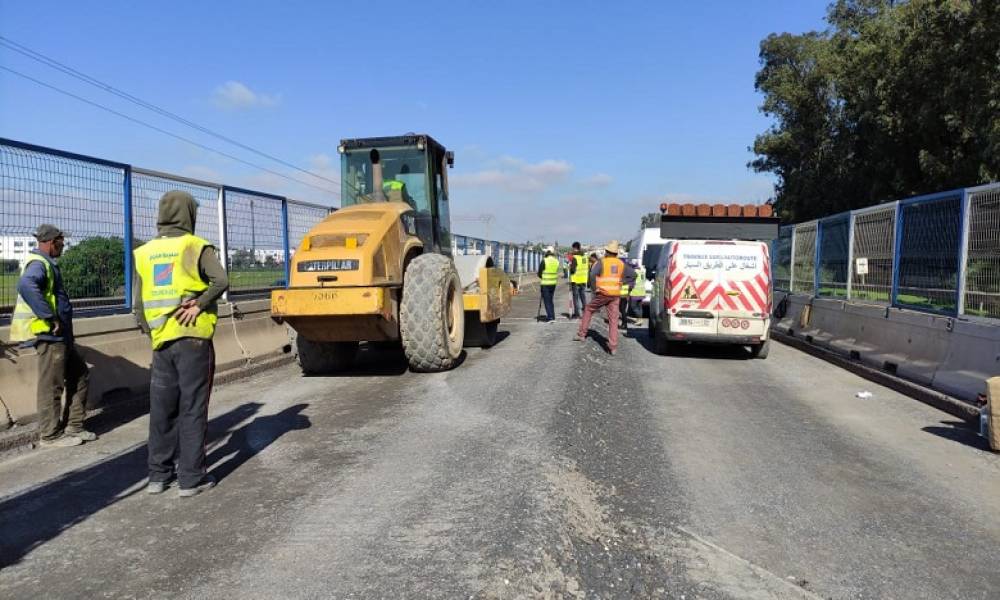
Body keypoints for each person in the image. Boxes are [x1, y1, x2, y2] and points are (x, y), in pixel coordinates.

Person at [134, 190, 229, 497]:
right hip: (194, 340)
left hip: (162, 342)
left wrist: (155, 333)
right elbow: (222, 281)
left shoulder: (145, 252)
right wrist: (200, 304)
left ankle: (158, 477)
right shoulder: (194, 245)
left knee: (162, 410)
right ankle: (191, 479)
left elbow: (138, 306)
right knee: (192, 407)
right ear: (189, 214)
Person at [10, 224, 94, 447]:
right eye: (61, 241)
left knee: (80, 375)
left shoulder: (47, 263)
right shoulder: (39, 264)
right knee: (51, 385)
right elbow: (26, 285)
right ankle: (49, 435)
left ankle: (74, 426)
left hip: (60, 336)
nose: (63, 245)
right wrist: (49, 316)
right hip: (49, 335)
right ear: (50, 241)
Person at [573, 240, 635, 355]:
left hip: (603, 294)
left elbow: (592, 275)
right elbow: (633, 274)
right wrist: (623, 282)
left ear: (606, 251)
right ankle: (613, 347)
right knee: (613, 319)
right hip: (615, 295)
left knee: (588, 309)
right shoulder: (621, 264)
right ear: (616, 253)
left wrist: (594, 288)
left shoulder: (602, 262)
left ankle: (582, 334)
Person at [537, 246, 559, 322]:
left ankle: (550, 317)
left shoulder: (544, 260)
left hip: (545, 283)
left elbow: (539, 273)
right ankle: (552, 315)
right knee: (550, 300)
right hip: (553, 283)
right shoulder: (556, 261)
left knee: (547, 301)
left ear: (547, 252)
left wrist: (542, 276)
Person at [567, 242, 588, 319]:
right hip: (583, 280)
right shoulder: (585, 257)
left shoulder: (575, 258)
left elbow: (573, 270)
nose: (572, 250)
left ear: (575, 248)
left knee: (576, 298)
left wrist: (569, 266)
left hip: (576, 280)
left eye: (573, 248)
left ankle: (577, 314)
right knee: (583, 296)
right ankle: (586, 312)